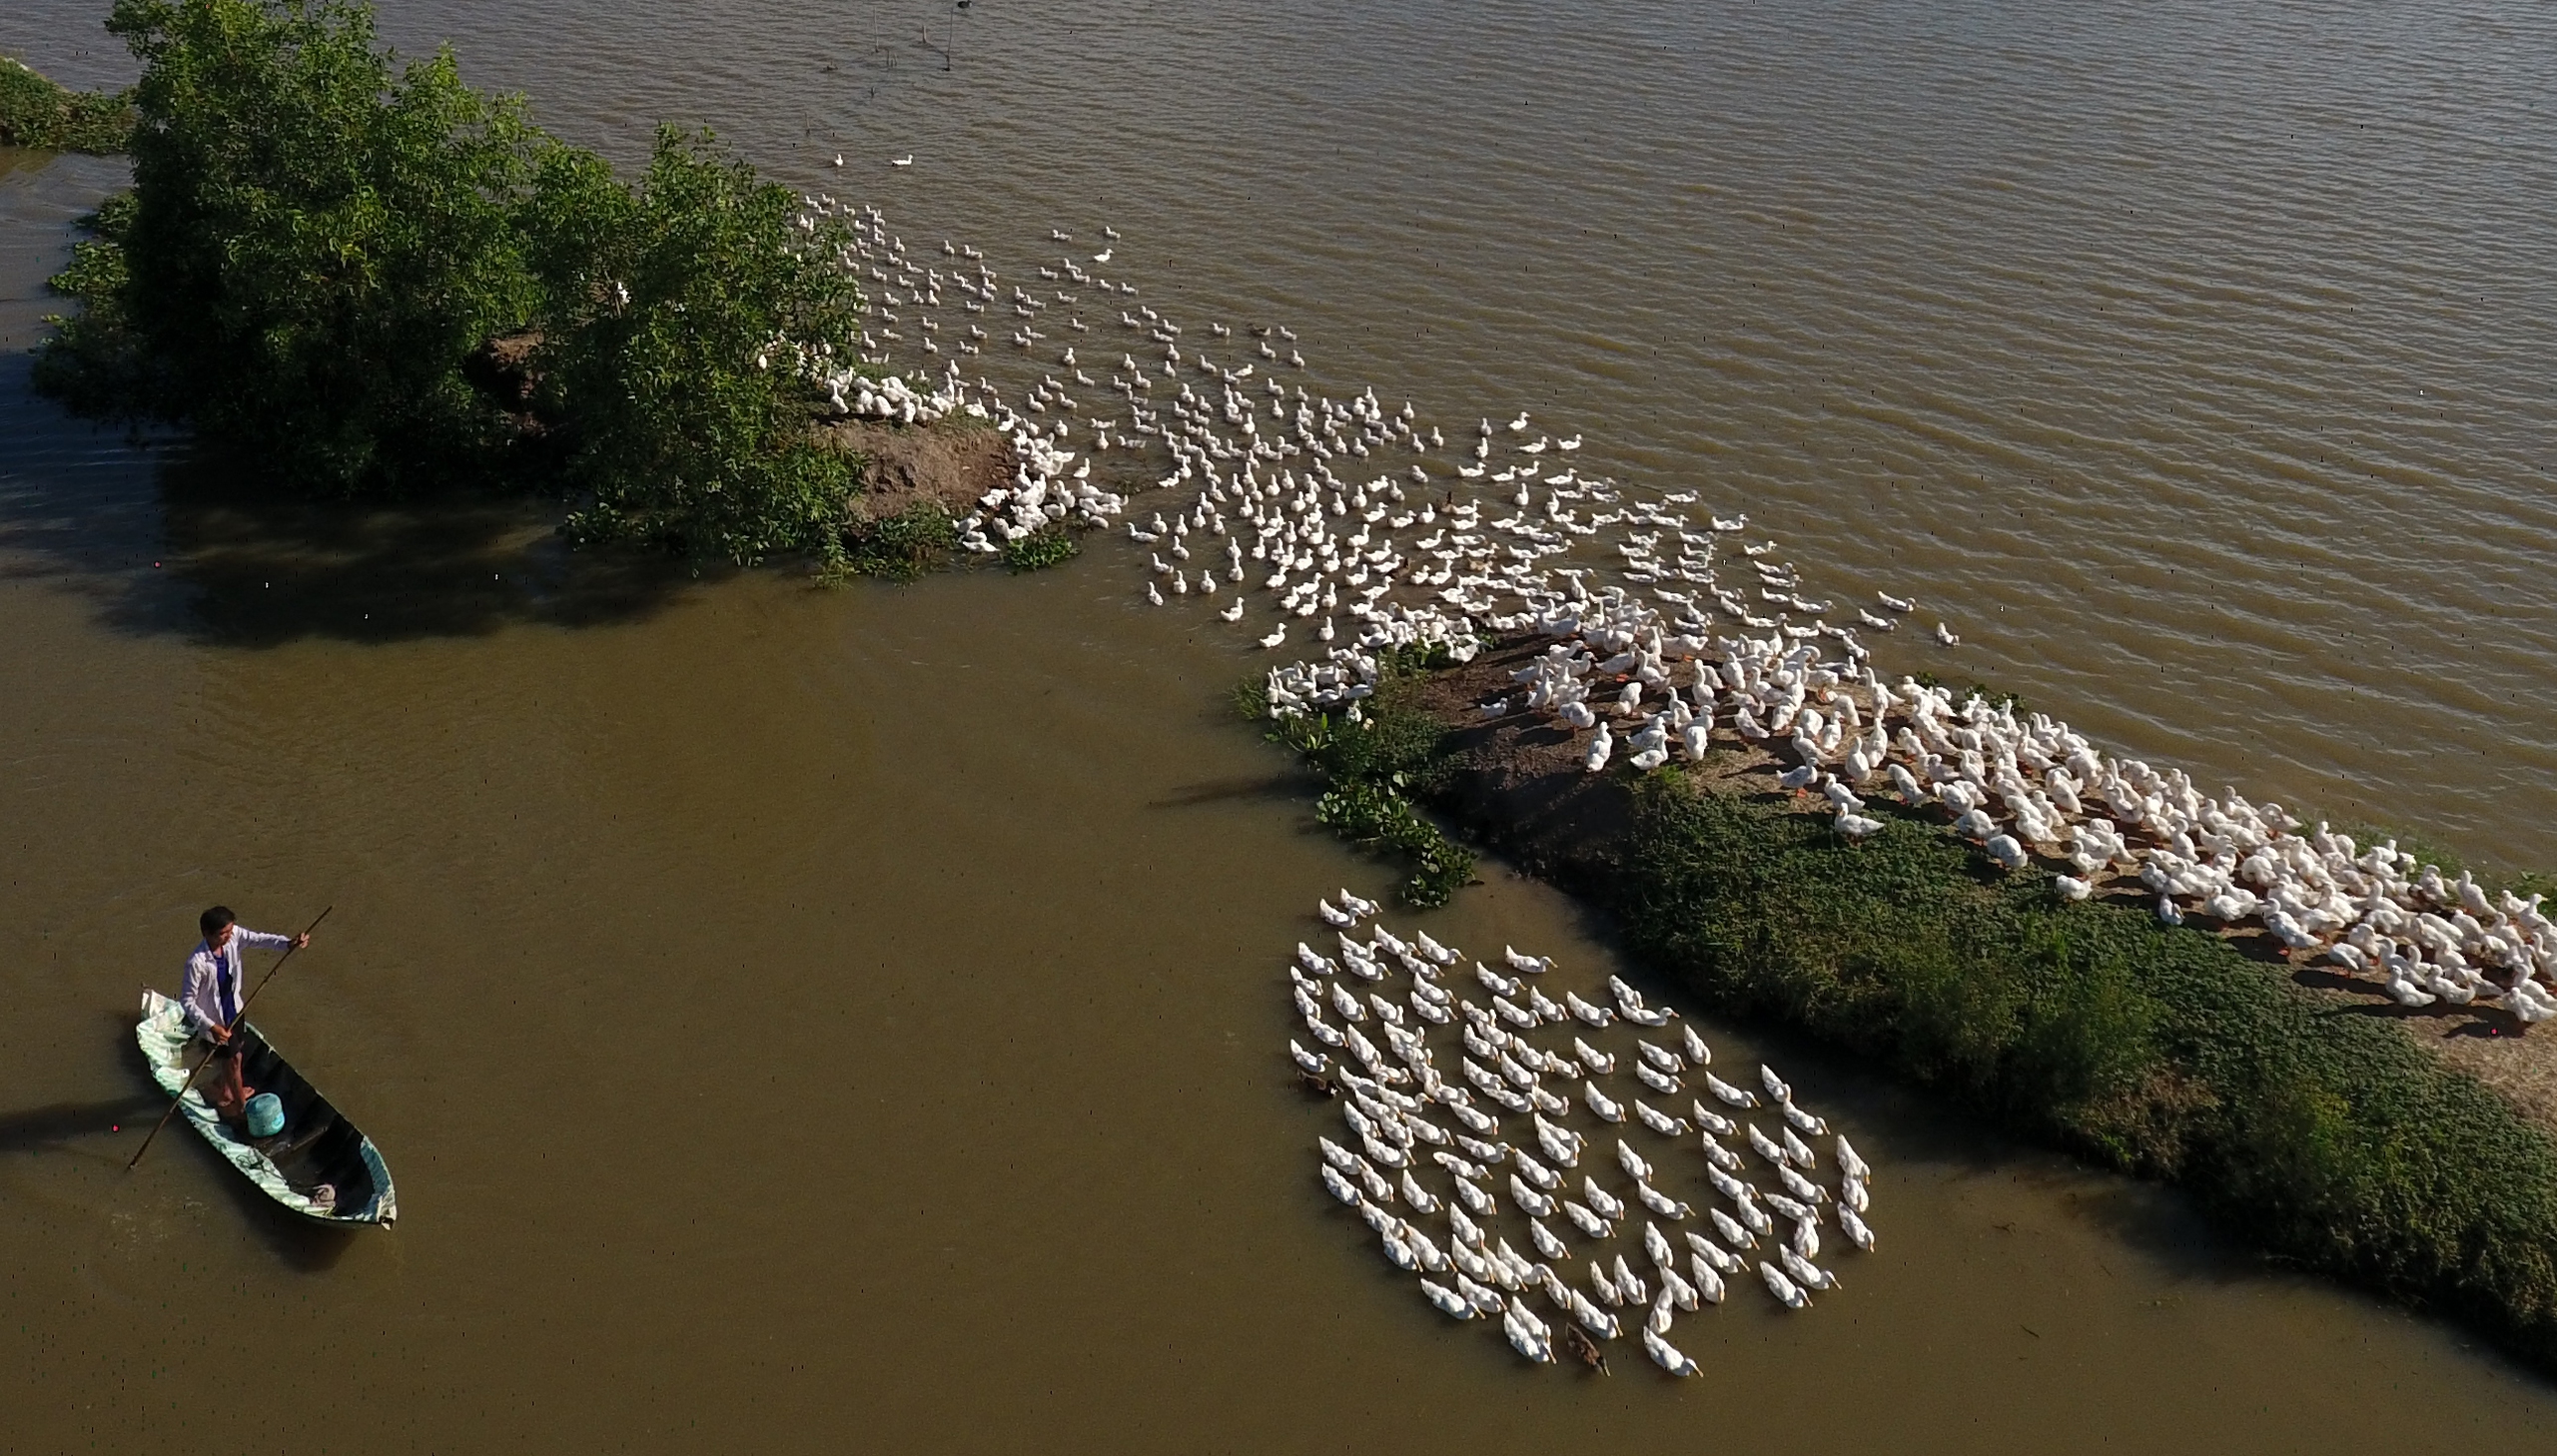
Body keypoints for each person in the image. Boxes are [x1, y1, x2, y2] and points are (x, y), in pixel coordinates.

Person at [181, 907, 310, 1122]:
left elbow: (259, 939)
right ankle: (240, 1109)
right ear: (207, 934)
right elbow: (187, 1000)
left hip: (235, 1011)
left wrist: (288, 944)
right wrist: (211, 1027)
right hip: (217, 1022)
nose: (229, 936)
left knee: (237, 1054)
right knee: (232, 1061)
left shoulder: (234, 937)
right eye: (223, 933)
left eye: (230, 931)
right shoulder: (197, 963)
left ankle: (227, 1090)